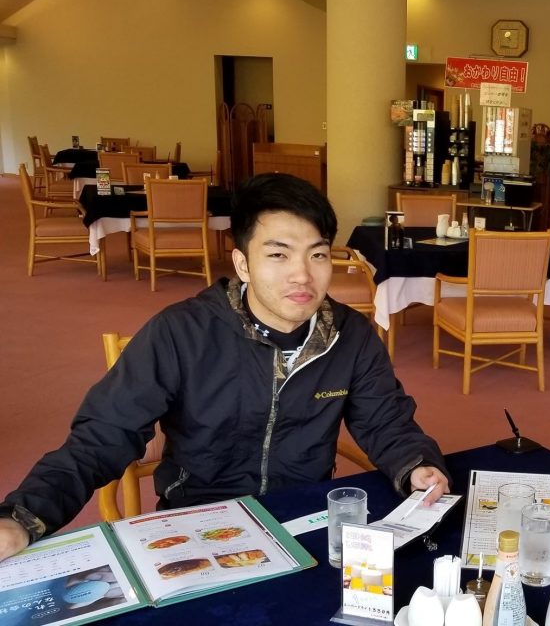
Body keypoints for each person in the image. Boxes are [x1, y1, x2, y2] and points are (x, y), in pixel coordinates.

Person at [0, 173, 449, 561]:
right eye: (278, 255)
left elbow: (386, 421)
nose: (303, 275)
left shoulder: (349, 335)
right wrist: (23, 516)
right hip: (199, 522)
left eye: (317, 254)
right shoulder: (181, 333)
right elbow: (103, 436)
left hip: (300, 516)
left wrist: (416, 464)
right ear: (243, 264)